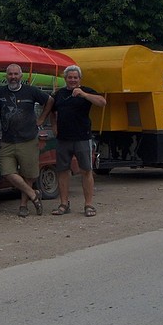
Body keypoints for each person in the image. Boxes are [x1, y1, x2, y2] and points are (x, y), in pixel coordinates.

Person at [0, 63, 49, 217]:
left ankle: (23, 206)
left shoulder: (31, 91)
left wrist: (41, 118)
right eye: (10, 74)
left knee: (28, 175)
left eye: (16, 74)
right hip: (7, 140)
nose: (13, 77)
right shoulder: (0, 93)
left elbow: (50, 101)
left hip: (28, 139)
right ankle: (33, 194)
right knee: (7, 171)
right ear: (6, 76)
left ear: (21, 76)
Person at [37, 65, 107, 217]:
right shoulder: (59, 94)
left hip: (83, 137)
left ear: (80, 79)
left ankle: (88, 205)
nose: (72, 80)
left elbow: (102, 102)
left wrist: (83, 94)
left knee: (86, 170)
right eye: (70, 77)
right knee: (62, 171)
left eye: (75, 77)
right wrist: (54, 126)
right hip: (63, 139)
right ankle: (64, 204)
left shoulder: (86, 91)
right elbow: (52, 111)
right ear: (65, 78)